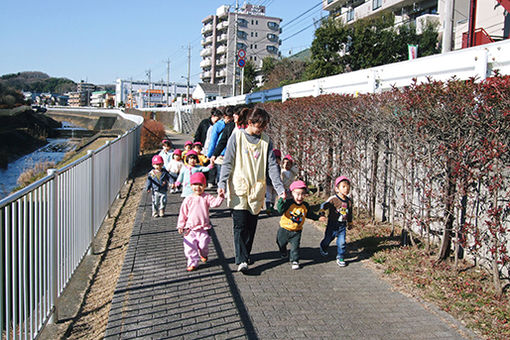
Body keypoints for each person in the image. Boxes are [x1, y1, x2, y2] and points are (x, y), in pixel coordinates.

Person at [218, 107, 285, 273]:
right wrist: (221, 183)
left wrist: (279, 188)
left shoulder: (266, 141)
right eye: (259, 126)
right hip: (239, 188)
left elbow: (272, 167)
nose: (261, 129)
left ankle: (246, 253)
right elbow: (228, 162)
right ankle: (241, 259)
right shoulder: (237, 136)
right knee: (239, 225)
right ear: (250, 122)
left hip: (256, 189)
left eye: (264, 126)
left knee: (251, 225)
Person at [177, 172, 225, 271]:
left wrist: (220, 197)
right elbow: (183, 213)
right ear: (191, 186)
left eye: (200, 185)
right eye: (195, 185)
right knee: (190, 247)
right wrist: (181, 225)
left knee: (203, 245)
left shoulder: (207, 197)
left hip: (203, 228)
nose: (197, 187)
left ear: (205, 185)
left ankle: (203, 254)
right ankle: (192, 263)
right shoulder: (188, 199)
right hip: (190, 229)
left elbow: (215, 204)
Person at [276, 180, 326, 270]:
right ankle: (283, 251)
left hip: (297, 231)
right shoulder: (288, 203)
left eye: (303, 194)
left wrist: (318, 218)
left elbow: (309, 214)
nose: (300, 197)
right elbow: (280, 210)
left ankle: (295, 260)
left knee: (295, 247)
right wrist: (281, 200)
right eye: (297, 194)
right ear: (292, 194)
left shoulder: (305, 205)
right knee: (280, 242)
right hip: (284, 229)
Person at [319, 176, 354, 267]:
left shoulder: (349, 201)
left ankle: (340, 257)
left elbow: (349, 213)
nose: (346, 189)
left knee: (342, 242)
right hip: (332, 224)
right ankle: (323, 246)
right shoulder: (333, 199)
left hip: (342, 225)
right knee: (328, 239)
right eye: (343, 187)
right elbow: (324, 206)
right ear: (337, 188)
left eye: (348, 187)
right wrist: (322, 214)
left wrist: (350, 222)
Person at [208, 106, 235, 186]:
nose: (229, 120)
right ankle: (221, 189)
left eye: (231, 118)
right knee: (222, 174)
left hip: (230, 153)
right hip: (221, 154)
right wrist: (211, 154)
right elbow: (213, 141)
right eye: (228, 118)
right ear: (224, 116)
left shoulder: (234, 125)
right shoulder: (218, 125)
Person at [265, 148, 281, 215]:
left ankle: (271, 207)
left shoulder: (278, 167)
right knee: (269, 195)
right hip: (269, 183)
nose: (276, 160)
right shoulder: (269, 166)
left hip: (275, 184)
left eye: (278, 159)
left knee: (274, 196)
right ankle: (268, 208)